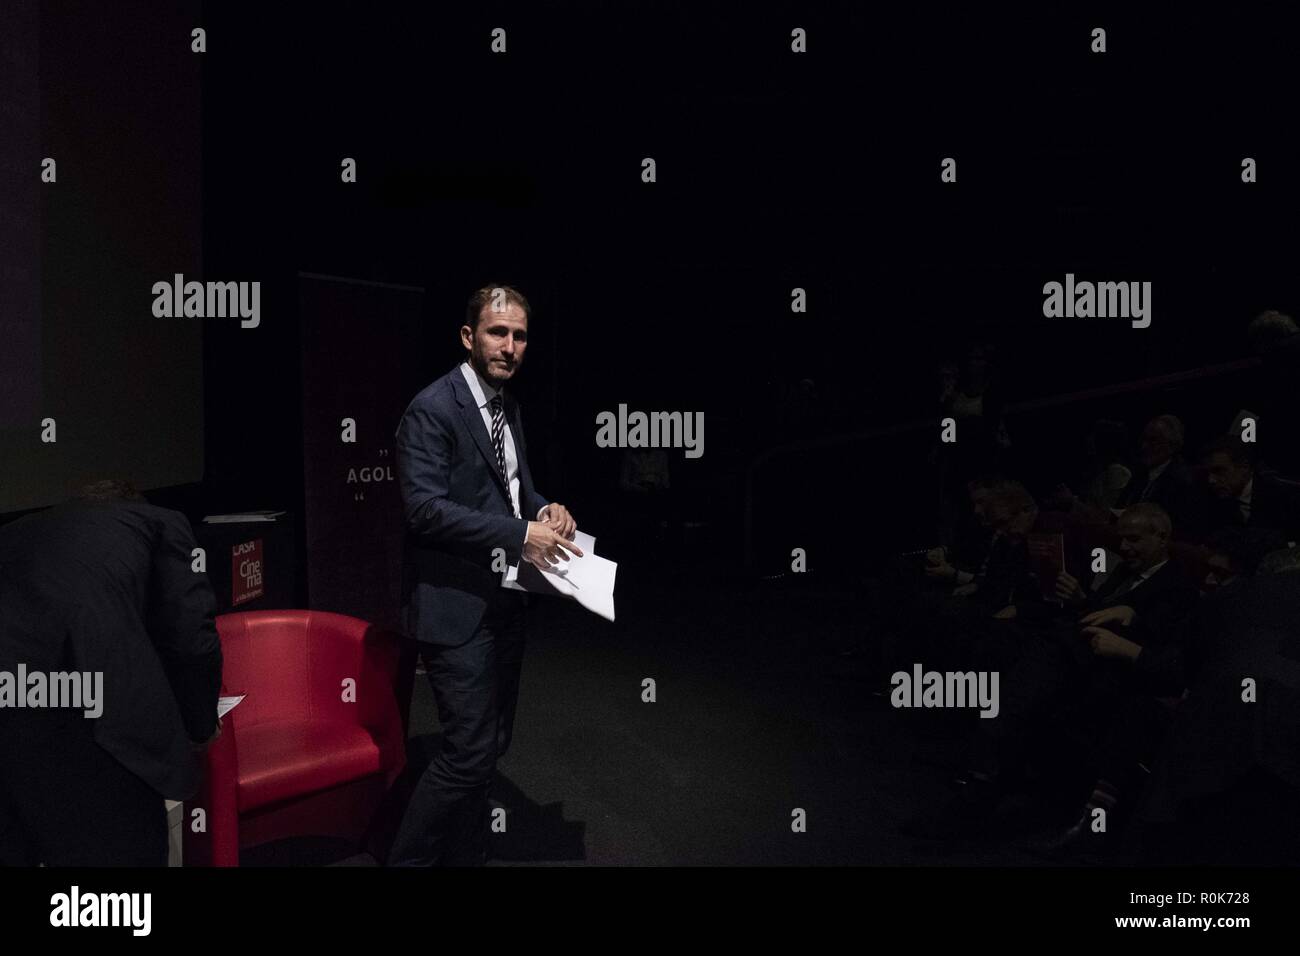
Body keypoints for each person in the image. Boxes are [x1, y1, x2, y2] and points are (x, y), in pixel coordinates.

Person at [387, 284, 580, 867]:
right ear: (469, 337)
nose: (510, 346)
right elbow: (423, 509)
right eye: (498, 333)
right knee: (468, 754)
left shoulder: (506, 405)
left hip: (506, 602)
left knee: (493, 744)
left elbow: (511, 491)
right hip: (455, 607)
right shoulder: (432, 408)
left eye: (520, 336)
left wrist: (546, 508)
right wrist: (521, 534)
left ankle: (466, 856)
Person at [0, 479, 223, 866]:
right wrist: (201, 726)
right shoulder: (160, 522)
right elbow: (191, 640)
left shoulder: (14, 531)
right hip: (90, 715)